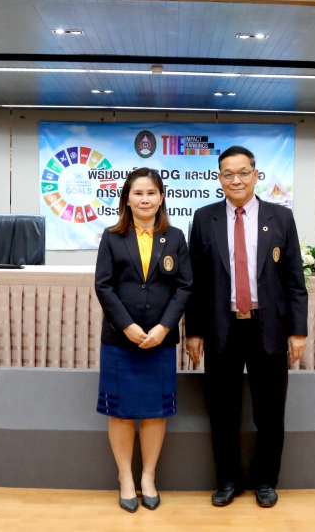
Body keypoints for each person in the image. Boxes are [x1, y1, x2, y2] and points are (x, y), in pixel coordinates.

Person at [185, 145, 308, 508]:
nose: (235, 180)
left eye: (243, 173)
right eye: (228, 174)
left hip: (268, 328)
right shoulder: (204, 218)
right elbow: (195, 282)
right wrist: (193, 331)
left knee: (269, 411)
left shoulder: (280, 217)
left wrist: (298, 330)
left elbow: (294, 280)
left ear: (256, 175)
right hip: (221, 327)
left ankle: (266, 481)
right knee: (223, 410)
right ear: (219, 178)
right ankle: (227, 480)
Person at [94, 167, 192, 513]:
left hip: (159, 341)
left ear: (161, 197)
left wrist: (165, 327)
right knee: (120, 412)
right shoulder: (112, 237)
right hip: (120, 341)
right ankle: (125, 478)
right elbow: (103, 286)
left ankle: (148, 477)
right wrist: (127, 326)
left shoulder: (175, 237)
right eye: (138, 193)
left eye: (151, 192)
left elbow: (185, 287)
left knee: (154, 412)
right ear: (127, 198)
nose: (145, 199)